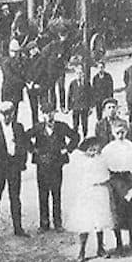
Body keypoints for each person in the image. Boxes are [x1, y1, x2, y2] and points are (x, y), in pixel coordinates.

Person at [26, 97, 80, 233]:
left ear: (54, 113)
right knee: (43, 195)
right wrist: (33, 150)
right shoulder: (38, 128)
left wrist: (67, 149)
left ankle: (57, 223)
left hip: (56, 165)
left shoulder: (61, 127)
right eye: (46, 113)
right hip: (42, 165)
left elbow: (75, 137)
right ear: (42, 114)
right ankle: (44, 224)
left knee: (56, 194)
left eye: (51, 113)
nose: (49, 116)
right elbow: (24, 138)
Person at [0, 101, 30, 245]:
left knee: (15, 198)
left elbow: (23, 146)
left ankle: (18, 228)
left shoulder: (18, 128)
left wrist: (22, 163)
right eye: (4, 114)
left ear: (13, 113)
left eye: (9, 114)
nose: (6, 117)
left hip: (13, 167)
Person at [64, 137, 115, 262]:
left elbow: (106, 176)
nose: (93, 149)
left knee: (100, 221)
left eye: (96, 146)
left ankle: (100, 248)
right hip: (86, 192)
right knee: (85, 222)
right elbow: (76, 177)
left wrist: (101, 181)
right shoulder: (80, 161)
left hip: (99, 191)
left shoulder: (102, 160)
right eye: (90, 147)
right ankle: (82, 251)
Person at [101, 121, 132, 255]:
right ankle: (119, 243)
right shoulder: (108, 149)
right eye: (117, 132)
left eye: (123, 132)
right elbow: (104, 167)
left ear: (127, 131)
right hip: (115, 180)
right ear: (113, 132)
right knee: (117, 212)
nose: (120, 135)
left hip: (129, 179)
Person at [0, 42, 27, 122]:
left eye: (17, 52)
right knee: (7, 114)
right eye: (13, 51)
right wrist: (24, 83)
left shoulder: (20, 61)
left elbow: (24, 73)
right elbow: (10, 77)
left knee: (15, 114)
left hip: (16, 91)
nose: (15, 54)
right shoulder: (6, 62)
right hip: (8, 91)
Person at [66, 63, 92, 138]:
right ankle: (75, 138)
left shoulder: (86, 83)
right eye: (77, 73)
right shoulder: (73, 83)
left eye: (80, 73)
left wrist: (90, 107)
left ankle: (85, 137)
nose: (79, 75)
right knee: (75, 125)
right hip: (76, 107)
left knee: (84, 123)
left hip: (84, 107)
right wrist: (69, 107)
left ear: (83, 74)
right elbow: (69, 96)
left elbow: (90, 95)